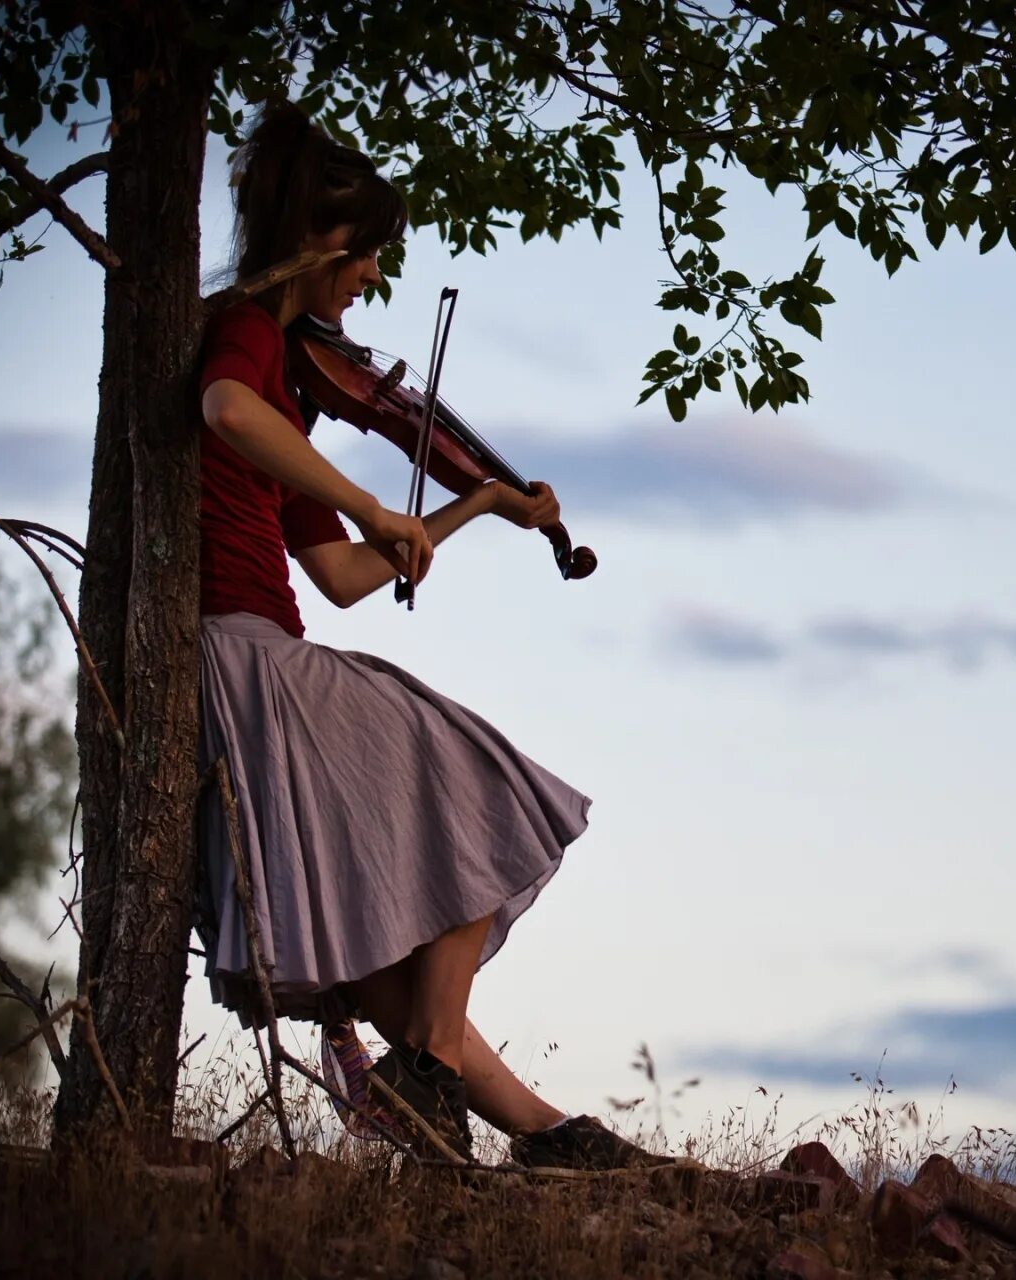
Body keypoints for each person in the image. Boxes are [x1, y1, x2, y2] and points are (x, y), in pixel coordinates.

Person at [195, 100, 652, 1172]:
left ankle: (538, 1131)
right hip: (244, 654)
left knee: (398, 975)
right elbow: (223, 409)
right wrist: (379, 499)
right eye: (363, 261)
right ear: (320, 244)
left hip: (272, 648)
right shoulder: (247, 335)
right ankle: (434, 1069)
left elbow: (350, 576)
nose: (368, 286)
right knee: (483, 784)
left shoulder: (291, 406)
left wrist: (471, 506)